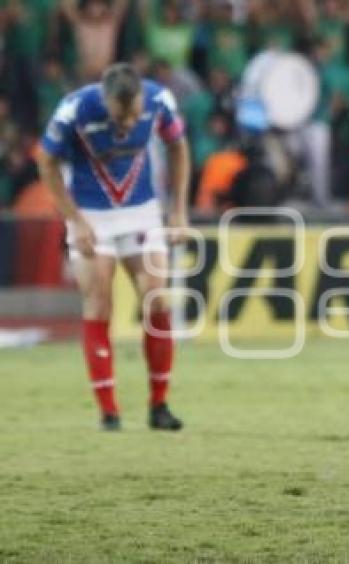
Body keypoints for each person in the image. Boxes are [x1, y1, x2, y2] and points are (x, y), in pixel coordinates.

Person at [36, 63, 190, 432]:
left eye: (134, 114)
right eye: (121, 116)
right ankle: (109, 411)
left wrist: (179, 209)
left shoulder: (158, 99)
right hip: (92, 216)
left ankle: (159, 405)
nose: (128, 123)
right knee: (100, 303)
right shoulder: (74, 110)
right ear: (105, 101)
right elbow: (46, 160)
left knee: (156, 298)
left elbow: (178, 147)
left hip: (141, 211)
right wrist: (73, 218)